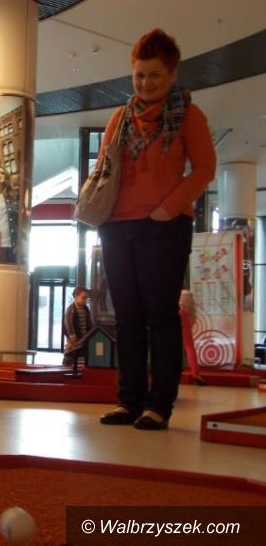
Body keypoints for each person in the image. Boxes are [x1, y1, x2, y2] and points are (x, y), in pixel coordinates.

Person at [97, 29, 216, 430]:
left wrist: (168, 209)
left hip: (165, 228)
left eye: (154, 75)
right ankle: (128, 401)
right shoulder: (120, 117)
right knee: (126, 316)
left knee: (161, 316)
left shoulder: (188, 115)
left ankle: (159, 405)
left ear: (172, 74)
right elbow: (105, 169)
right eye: (139, 75)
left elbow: (205, 168)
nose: (145, 83)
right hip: (117, 226)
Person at [179, 288, 206, 386]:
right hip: (185, 318)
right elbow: (193, 315)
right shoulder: (188, 295)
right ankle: (196, 374)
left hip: (174, 316)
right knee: (190, 348)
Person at [63, 286, 93, 366]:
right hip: (75, 339)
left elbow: (89, 322)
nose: (85, 300)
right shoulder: (71, 309)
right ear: (76, 296)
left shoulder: (86, 308)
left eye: (86, 298)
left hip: (84, 337)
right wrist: (72, 335)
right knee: (71, 355)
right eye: (83, 298)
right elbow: (68, 323)